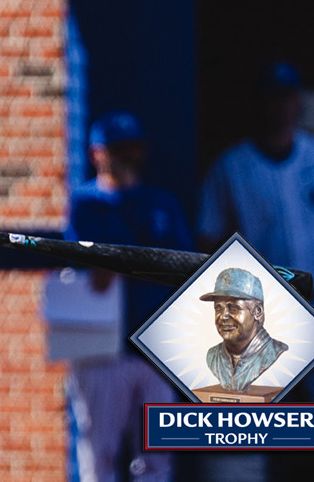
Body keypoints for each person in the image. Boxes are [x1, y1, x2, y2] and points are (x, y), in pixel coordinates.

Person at [197, 61, 314, 405]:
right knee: (259, 414)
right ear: (258, 103)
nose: (281, 107)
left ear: (298, 102)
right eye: (272, 98)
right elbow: (207, 242)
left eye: (287, 97)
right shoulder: (232, 166)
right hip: (265, 312)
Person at [65, 110, 192, 482]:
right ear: (97, 153)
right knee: (100, 454)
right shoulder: (82, 203)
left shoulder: (160, 205)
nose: (126, 156)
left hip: (157, 348)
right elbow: (71, 265)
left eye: (133, 148)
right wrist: (94, 268)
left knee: (157, 458)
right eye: (117, 149)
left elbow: (183, 267)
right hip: (104, 348)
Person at [200, 268, 289, 392]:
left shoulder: (274, 351)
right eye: (218, 308)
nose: (223, 316)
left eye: (234, 308)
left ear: (258, 312)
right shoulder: (213, 356)